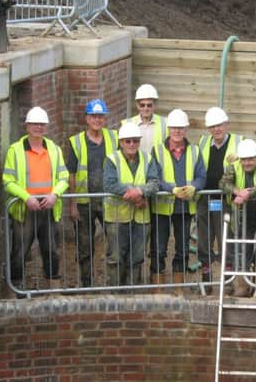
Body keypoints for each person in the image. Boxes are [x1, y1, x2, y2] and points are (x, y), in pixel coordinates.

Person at [3, 106, 68, 290]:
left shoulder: (53, 149)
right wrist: (26, 197)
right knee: (19, 251)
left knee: (51, 250)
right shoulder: (15, 151)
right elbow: (8, 181)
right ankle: (16, 290)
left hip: (49, 207)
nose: (39, 127)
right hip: (25, 208)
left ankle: (52, 289)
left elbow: (63, 178)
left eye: (42, 124)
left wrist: (55, 195)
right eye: (35, 124)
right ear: (27, 126)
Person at [150, 109, 206, 292]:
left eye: (180, 128)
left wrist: (194, 188)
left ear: (186, 129)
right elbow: (154, 177)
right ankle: (158, 290)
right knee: (158, 250)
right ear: (169, 129)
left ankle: (178, 289)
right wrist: (171, 189)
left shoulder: (195, 151)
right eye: (174, 128)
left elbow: (201, 177)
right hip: (161, 210)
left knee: (182, 250)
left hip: (184, 209)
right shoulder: (157, 150)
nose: (177, 131)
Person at [67, 99, 118, 287]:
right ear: (87, 118)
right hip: (83, 201)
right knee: (85, 247)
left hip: (109, 201)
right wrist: (72, 204)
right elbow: (71, 174)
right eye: (93, 116)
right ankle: (87, 285)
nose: (97, 119)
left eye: (100, 116)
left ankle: (115, 284)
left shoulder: (114, 138)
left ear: (104, 118)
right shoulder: (76, 142)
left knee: (115, 243)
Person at [103, 123, 159, 286]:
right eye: (128, 141)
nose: (132, 144)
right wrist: (136, 196)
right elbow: (109, 184)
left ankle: (132, 293)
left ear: (139, 142)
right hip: (117, 218)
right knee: (116, 258)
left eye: (135, 141)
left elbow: (154, 183)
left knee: (137, 257)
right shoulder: (112, 159)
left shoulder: (148, 158)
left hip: (141, 219)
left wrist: (139, 191)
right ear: (121, 142)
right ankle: (115, 294)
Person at [220, 139, 256, 297]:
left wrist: (247, 194)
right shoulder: (234, 166)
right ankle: (242, 287)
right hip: (243, 217)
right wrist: (238, 191)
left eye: (250, 159)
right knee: (243, 251)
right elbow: (223, 184)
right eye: (244, 159)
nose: (247, 163)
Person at [197, 107, 243, 292]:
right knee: (203, 241)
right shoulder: (203, 143)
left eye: (220, 125)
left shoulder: (239, 142)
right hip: (204, 199)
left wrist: (240, 158)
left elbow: (251, 162)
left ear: (227, 124)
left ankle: (227, 283)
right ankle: (206, 280)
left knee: (225, 240)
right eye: (213, 126)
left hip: (224, 200)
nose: (217, 129)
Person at [121, 83, 168, 155]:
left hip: (158, 165)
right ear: (137, 105)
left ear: (154, 105)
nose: (146, 109)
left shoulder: (165, 123)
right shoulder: (127, 124)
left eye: (149, 105)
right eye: (142, 105)